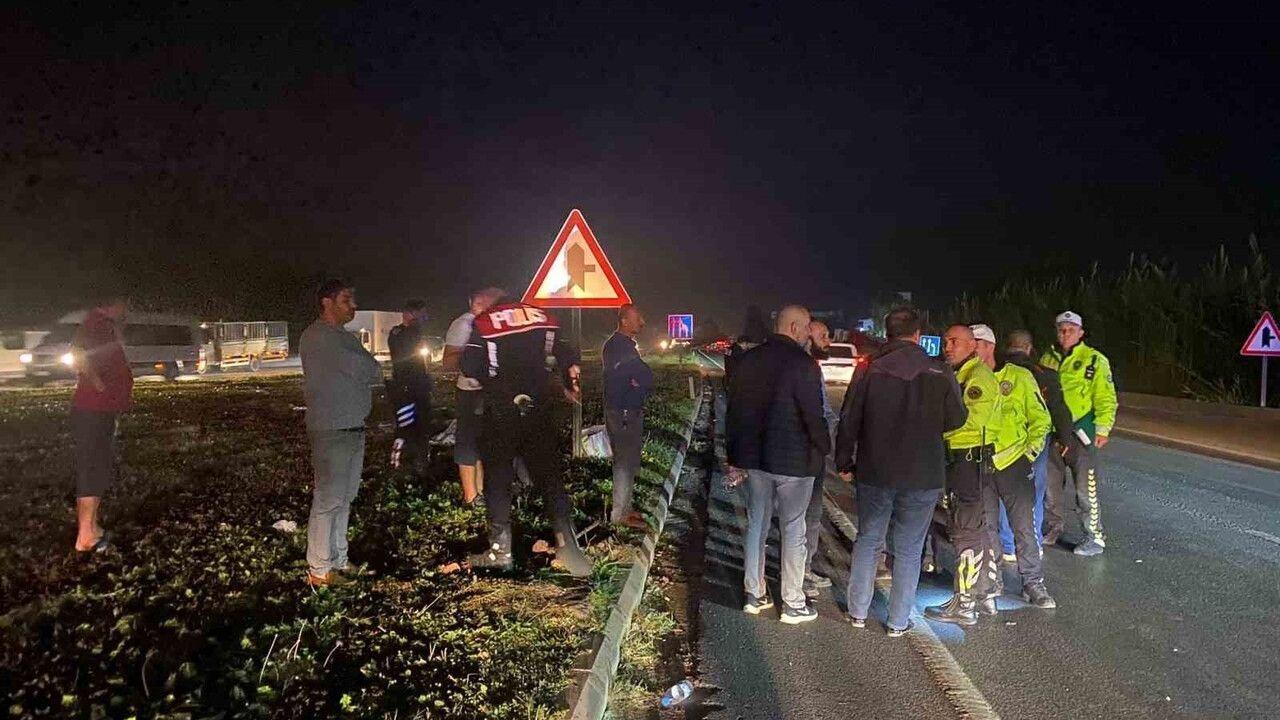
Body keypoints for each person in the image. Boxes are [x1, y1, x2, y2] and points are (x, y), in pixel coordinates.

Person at [835, 308, 967, 636]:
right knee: (909, 546)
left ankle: (857, 612)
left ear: (887, 333)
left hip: (875, 470)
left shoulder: (869, 369)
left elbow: (849, 419)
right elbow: (958, 419)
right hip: (922, 474)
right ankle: (897, 621)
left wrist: (843, 461)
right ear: (918, 335)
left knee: (869, 539)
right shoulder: (939, 371)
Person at [462, 297, 593, 576]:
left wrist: (489, 382)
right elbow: (567, 353)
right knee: (549, 476)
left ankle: (501, 551)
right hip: (538, 406)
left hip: (500, 410)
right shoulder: (543, 317)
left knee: (498, 479)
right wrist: (569, 381)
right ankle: (568, 547)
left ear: (487, 302)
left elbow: (469, 365)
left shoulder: (485, 321)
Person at [725, 305, 829, 625]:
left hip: (756, 461)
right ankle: (793, 603)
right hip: (794, 464)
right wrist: (824, 448)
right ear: (795, 328)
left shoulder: (748, 360)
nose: (808, 332)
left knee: (757, 523)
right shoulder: (803, 364)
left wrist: (734, 458)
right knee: (793, 529)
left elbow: (735, 412)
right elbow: (813, 415)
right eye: (807, 326)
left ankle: (754, 594)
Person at [300, 279, 384, 586]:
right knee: (328, 499)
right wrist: (370, 367)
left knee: (344, 498)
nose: (354, 306)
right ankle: (320, 570)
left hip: (351, 426)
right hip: (331, 428)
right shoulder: (320, 337)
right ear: (327, 302)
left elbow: (371, 369)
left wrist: (370, 367)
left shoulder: (341, 336)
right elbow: (369, 370)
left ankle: (339, 559)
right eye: (347, 299)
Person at [970, 324, 1056, 610]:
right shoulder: (965, 379)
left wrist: (1029, 454)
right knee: (987, 528)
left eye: (977, 343)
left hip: (1014, 465)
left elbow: (1041, 420)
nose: (971, 348)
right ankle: (992, 584)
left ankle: (1033, 583)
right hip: (980, 466)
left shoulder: (1018, 377)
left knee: (1023, 528)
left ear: (989, 346)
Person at [924, 324, 1001, 625]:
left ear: (972, 345)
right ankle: (986, 594)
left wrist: (934, 426)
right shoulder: (958, 373)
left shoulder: (976, 377)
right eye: (946, 341)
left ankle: (964, 604)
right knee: (975, 529)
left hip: (968, 461)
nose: (948, 346)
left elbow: (970, 421)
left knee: (965, 531)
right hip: (967, 461)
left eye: (955, 341)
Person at [1039, 311, 1118, 557]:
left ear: (1081, 333)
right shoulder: (1047, 359)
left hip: (1081, 434)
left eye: (1071, 330)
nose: (1065, 334)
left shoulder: (1095, 360)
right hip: (1052, 434)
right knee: (1051, 489)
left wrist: (1103, 429)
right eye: (1062, 329)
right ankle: (1053, 529)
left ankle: (1094, 536)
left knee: (1086, 489)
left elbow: (1106, 398)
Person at [996, 330, 1075, 559]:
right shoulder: (1043, 374)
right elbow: (1058, 409)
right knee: (1034, 492)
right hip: (1035, 441)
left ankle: (1008, 543)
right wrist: (1064, 438)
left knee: (1002, 492)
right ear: (1029, 349)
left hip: (1002, 441)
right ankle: (1032, 543)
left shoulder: (995, 371)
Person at [70, 292, 133, 555]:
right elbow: (77, 354)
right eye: (125, 305)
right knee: (93, 466)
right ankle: (85, 535)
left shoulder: (100, 324)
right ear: (114, 303)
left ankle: (92, 528)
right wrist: (99, 385)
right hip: (95, 409)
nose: (126, 310)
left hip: (100, 408)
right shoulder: (97, 323)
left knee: (96, 466)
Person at [443, 287, 505, 505]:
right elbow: (448, 361)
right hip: (469, 392)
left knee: (482, 442)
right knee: (468, 442)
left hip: (487, 392)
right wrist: (474, 355)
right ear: (477, 302)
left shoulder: (487, 322)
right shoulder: (464, 324)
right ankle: (470, 496)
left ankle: (480, 491)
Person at [602, 304, 654, 530]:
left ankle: (626, 508)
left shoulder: (625, 346)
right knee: (623, 463)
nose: (641, 322)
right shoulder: (617, 347)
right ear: (624, 320)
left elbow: (642, 376)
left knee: (630, 461)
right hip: (622, 411)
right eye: (637, 317)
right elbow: (642, 373)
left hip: (629, 410)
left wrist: (640, 378)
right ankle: (619, 514)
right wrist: (639, 378)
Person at [802, 319, 837, 596]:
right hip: (807, 453)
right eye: (823, 335)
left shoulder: (809, 366)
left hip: (805, 452)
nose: (828, 340)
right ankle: (799, 574)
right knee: (806, 516)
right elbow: (820, 413)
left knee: (801, 517)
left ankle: (800, 570)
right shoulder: (805, 367)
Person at [386, 299, 434, 476]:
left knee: (422, 426)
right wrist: (414, 323)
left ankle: (421, 462)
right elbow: (404, 350)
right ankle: (398, 465)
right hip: (404, 389)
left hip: (419, 388)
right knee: (405, 427)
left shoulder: (414, 333)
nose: (425, 318)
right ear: (410, 314)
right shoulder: (399, 333)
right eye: (422, 314)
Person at [724, 305, 769, 384]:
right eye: (747, 344)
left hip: (729, 374)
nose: (747, 347)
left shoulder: (730, 348)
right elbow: (742, 363)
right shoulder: (737, 351)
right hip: (735, 377)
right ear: (744, 343)